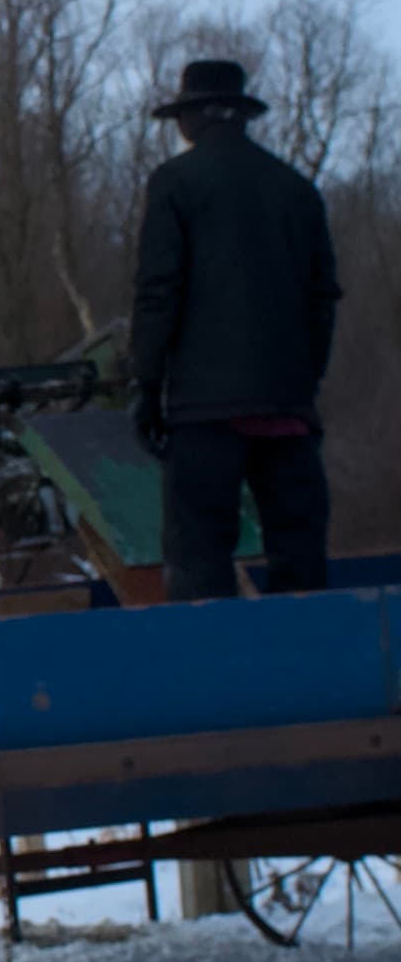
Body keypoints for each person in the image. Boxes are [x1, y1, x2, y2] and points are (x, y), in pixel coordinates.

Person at [131, 56, 341, 603]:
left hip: (205, 410)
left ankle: (214, 674)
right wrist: (303, 384)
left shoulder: (175, 183)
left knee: (200, 552)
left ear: (192, 119)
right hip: (286, 408)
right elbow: (323, 301)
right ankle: (312, 672)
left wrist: (148, 386)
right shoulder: (296, 189)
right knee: (300, 554)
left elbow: (159, 291)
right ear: (241, 117)